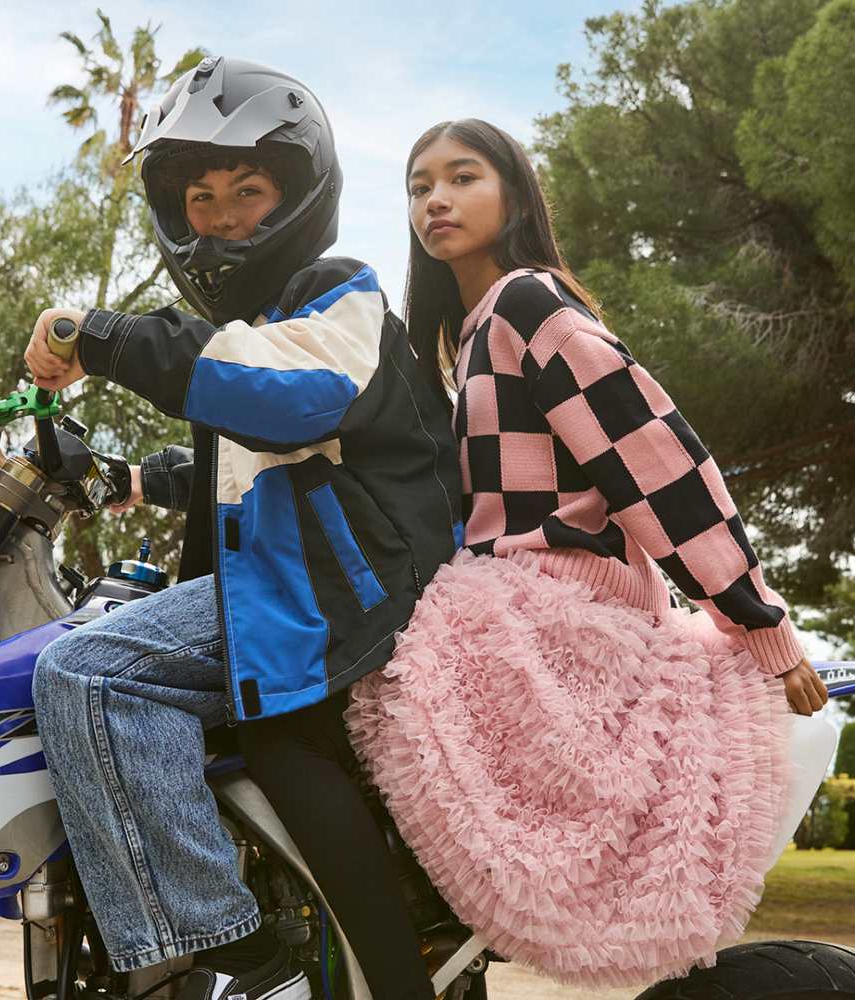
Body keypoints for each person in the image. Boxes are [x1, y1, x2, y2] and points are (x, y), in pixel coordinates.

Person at [344, 119, 831, 989]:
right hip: (519, 605)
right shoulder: (471, 336)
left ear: (515, 195)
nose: (437, 200)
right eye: (420, 186)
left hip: (559, 610)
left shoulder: (531, 305)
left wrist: (757, 620)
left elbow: (659, 462)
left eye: (463, 178)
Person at [24, 58, 459, 1000]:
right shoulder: (261, 326)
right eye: (201, 197)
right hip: (315, 580)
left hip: (361, 596)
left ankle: (230, 951)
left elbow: (288, 402)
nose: (218, 218)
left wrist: (92, 334)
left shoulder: (339, 292)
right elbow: (256, 471)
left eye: (247, 191)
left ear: (299, 195)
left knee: (90, 674)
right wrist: (131, 477)